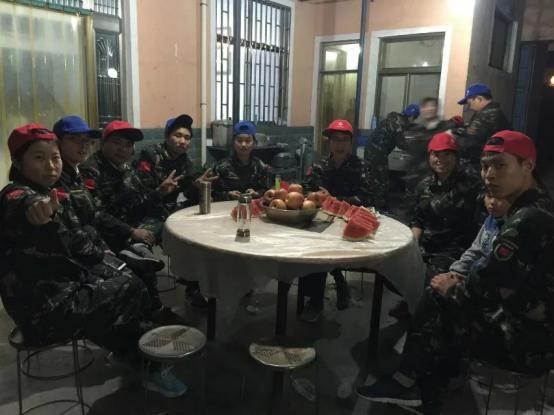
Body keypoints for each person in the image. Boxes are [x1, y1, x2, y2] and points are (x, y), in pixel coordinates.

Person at [357, 130, 554, 414]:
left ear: (527, 166)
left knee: (438, 299)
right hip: (522, 315)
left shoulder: (527, 219)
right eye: (486, 166)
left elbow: (483, 286)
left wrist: (452, 286)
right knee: (441, 293)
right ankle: (428, 388)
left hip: (526, 338)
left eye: (500, 165)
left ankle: (411, 384)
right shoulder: (534, 204)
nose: (489, 175)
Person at [0, 124, 187, 398]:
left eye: (54, 158)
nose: (51, 166)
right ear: (18, 162)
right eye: (39, 158)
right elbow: (24, 204)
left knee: (127, 281)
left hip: (67, 281)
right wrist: (36, 210)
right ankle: (149, 364)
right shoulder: (18, 195)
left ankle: (133, 352)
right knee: (131, 286)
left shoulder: (62, 183)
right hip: (44, 310)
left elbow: (89, 226)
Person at [52, 116, 173, 318]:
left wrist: (159, 193)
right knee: (137, 274)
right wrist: (130, 232)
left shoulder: (124, 168)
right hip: (102, 237)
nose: (123, 149)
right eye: (117, 143)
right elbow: (96, 215)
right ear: (103, 143)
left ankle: (141, 255)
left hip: (118, 228)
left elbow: (139, 199)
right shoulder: (87, 171)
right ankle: (150, 312)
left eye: (128, 145)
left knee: (165, 221)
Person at [134, 114, 216, 309]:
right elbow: (140, 198)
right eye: (178, 135)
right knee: (141, 249)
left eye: (187, 137)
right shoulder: (149, 156)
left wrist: (196, 186)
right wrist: (160, 191)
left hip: (170, 211)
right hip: (147, 213)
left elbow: (185, 193)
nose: (183, 141)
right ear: (167, 136)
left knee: (198, 239)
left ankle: (193, 290)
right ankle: (151, 307)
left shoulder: (184, 161)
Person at [300, 119, 378, 321]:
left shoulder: (362, 167)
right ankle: (315, 300)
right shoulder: (318, 166)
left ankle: (337, 281)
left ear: (350, 143)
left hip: (349, 221)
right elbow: (306, 190)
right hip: (321, 221)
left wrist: (334, 199)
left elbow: (367, 197)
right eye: (335, 139)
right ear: (330, 142)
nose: (339, 144)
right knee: (312, 253)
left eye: (344, 139)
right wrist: (315, 196)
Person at [410, 132, 481, 263]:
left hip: (457, 254)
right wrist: (412, 245)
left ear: (455, 157)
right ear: (429, 157)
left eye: (447, 154)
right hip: (425, 250)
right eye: (436, 154)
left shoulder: (471, 185)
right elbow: (418, 221)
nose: (440, 159)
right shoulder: (423, 185)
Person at [365, 104, 420, 208]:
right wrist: (415, 150)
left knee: (372, 178)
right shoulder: (399, 122)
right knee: (381, 180)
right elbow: (400, 143)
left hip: (370, 150)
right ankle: (379, 207)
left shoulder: (392, 118)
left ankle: (372, 204)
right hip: (378, 153)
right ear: (413, 116)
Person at [448, 192, 510, 278]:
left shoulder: (514, 226)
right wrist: (454, 272)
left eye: (499, 198)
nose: (492, 202)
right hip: (475, 274)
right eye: (489, 196)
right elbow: (476, 250)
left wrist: (462, 280)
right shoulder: (490, 219)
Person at [454, 83, 510, 175]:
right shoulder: (491, 112)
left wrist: (451, 137)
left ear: (479, 99)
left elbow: (469, 142)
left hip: (484, 165)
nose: (469, 107)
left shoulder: (486, 115)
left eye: (469, 103)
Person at [211, 120, 270, 201]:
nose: (243, 144)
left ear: (254, 143)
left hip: (252, 207)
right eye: (239, 140)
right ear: (233, 143)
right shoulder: (221, 167)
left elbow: (268, 191)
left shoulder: (260, 166)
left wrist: (256, 193)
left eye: (248, 141)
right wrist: (227, 194)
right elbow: (211, 192)